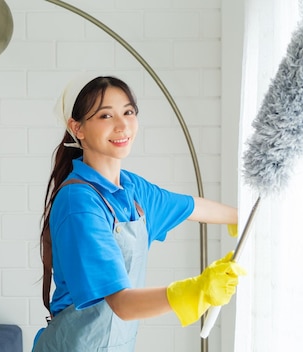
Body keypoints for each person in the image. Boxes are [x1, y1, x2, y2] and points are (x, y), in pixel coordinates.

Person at [32, 75, 246, 352]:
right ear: (78, 128)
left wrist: (243, 218)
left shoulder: (133, 191)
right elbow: (121, 303)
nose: (122, 125)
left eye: (128, 112)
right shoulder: (79, 203)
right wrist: (196, 291)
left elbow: (193, 206)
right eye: (105, 115)